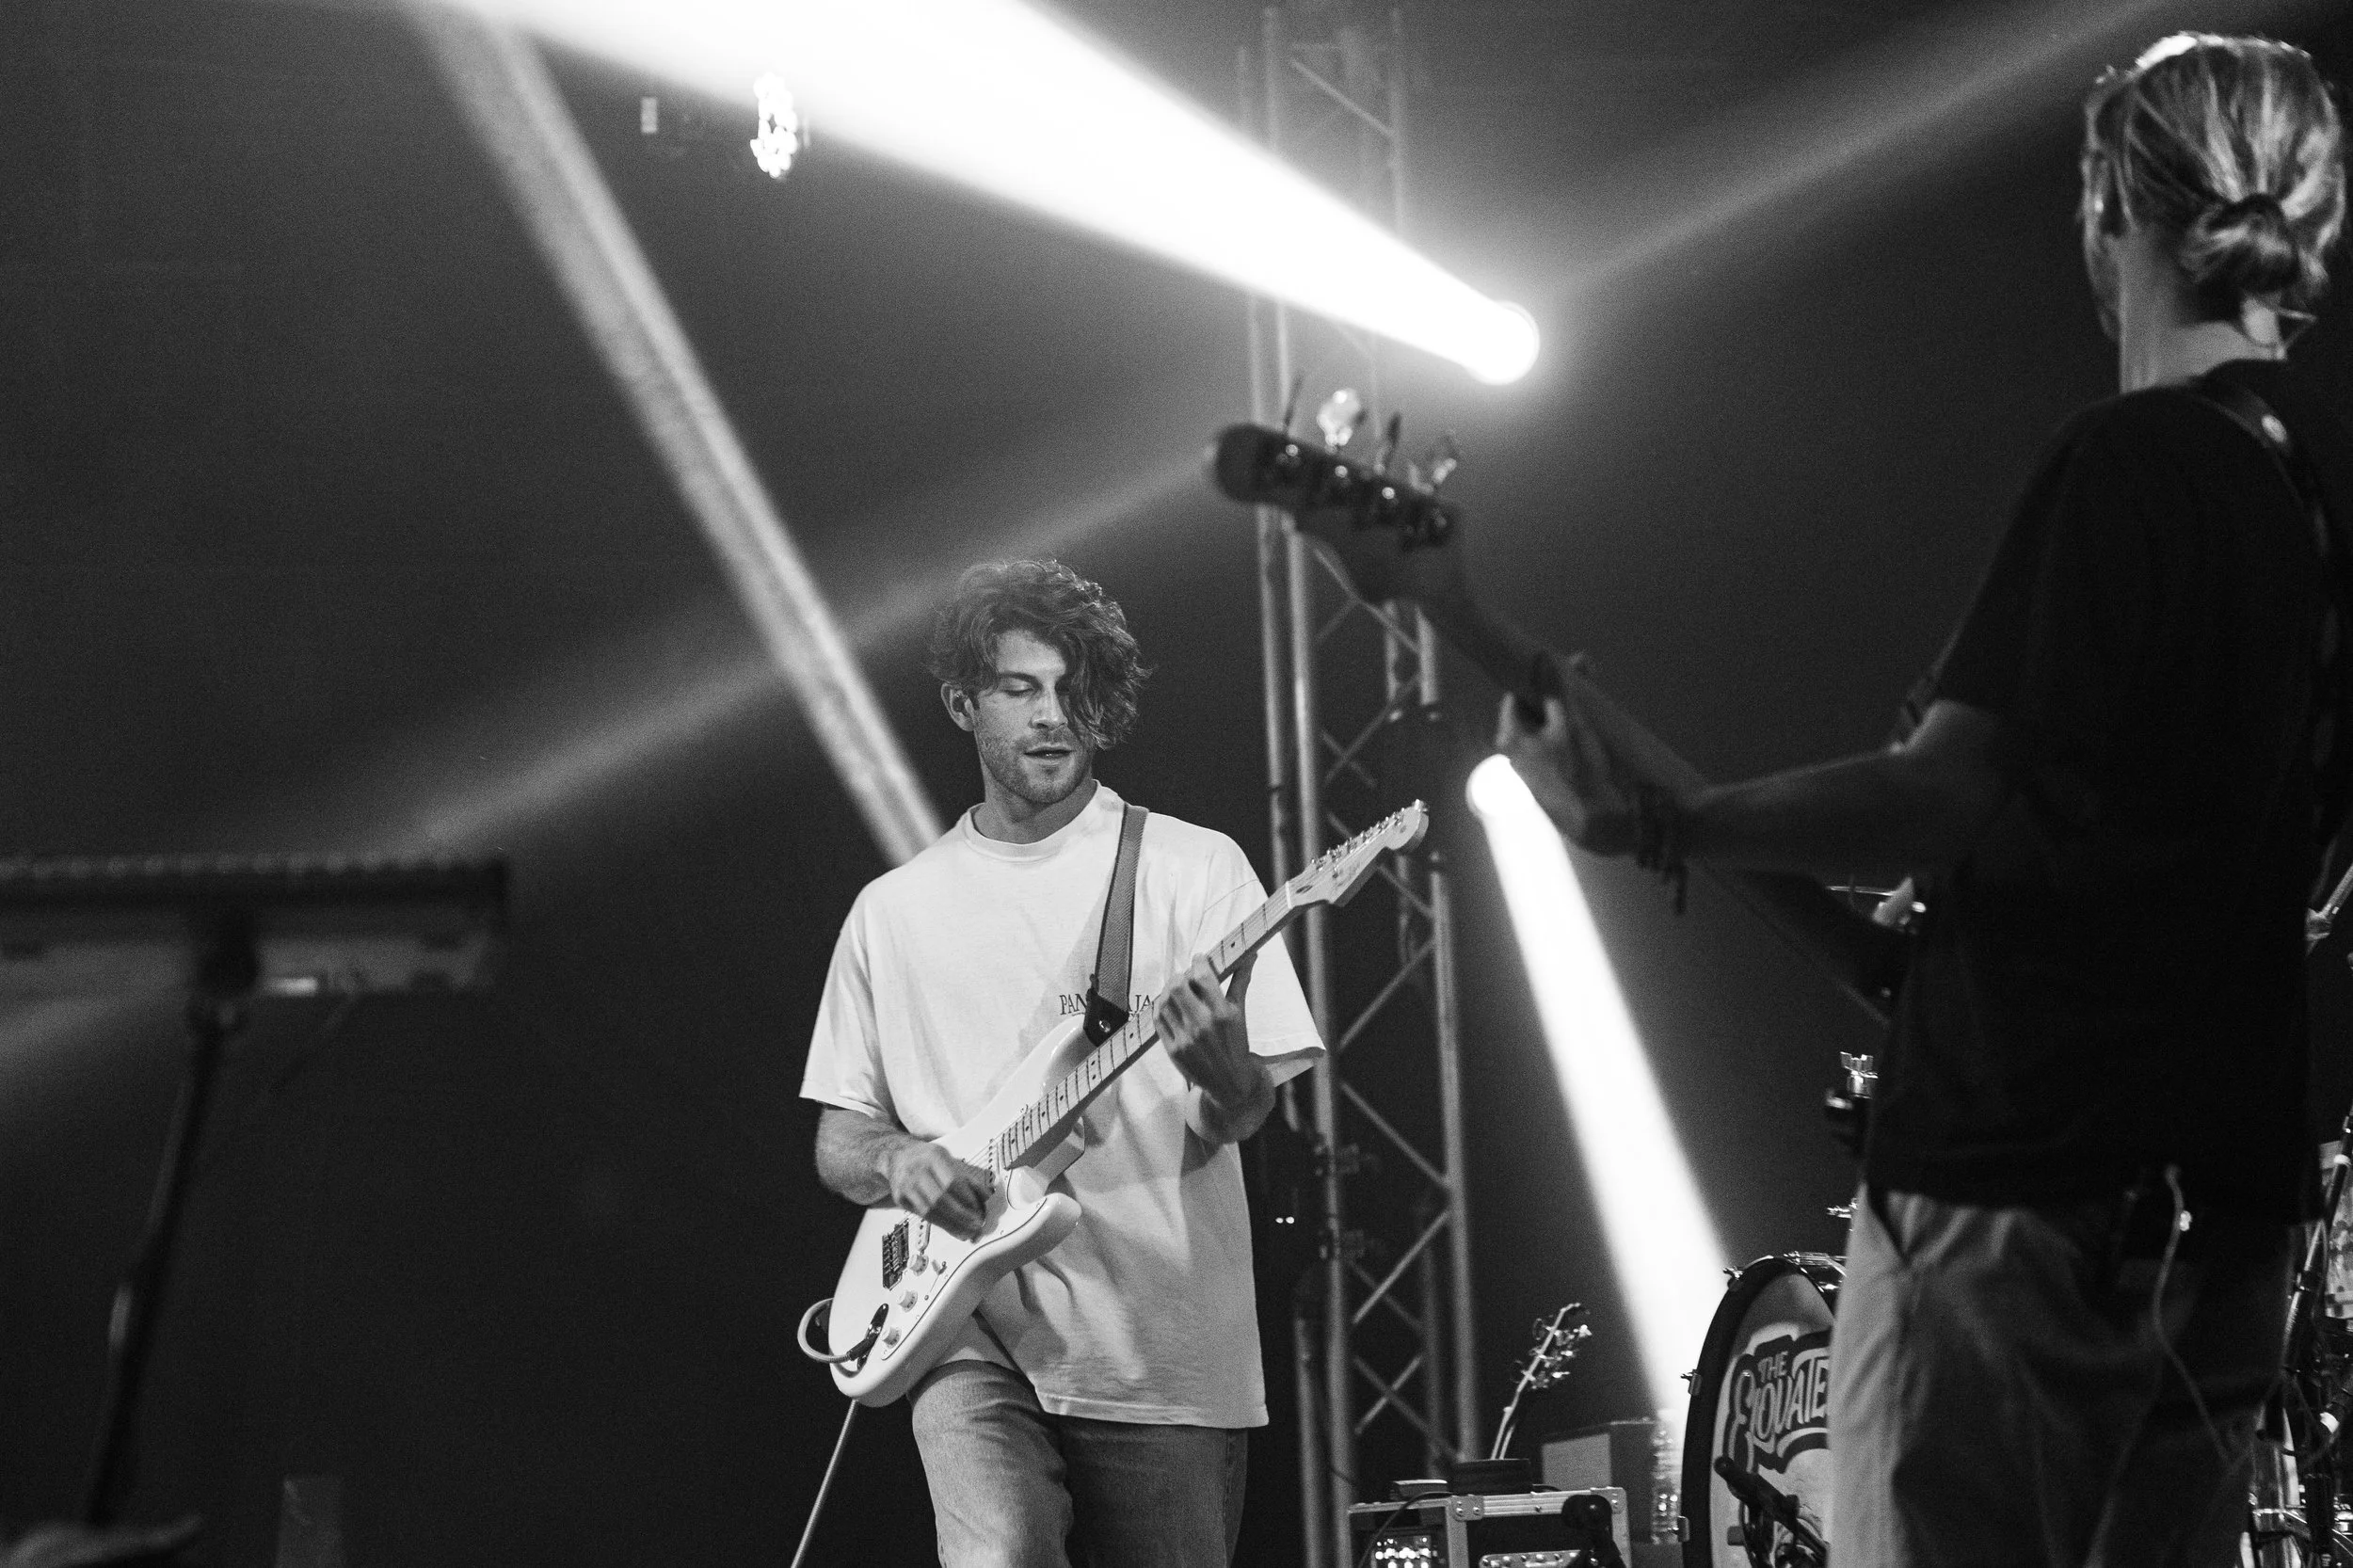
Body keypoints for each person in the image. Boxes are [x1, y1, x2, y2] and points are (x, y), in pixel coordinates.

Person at [1497, 33, 2349, 1568]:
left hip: (2018, 1205)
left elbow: (1941, 796)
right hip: (2228, 1214)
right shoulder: (2315, 491)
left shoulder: (2127, 461)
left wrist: (1666, 825)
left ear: (2110, 207)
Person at [802, 559, 1324, 1568]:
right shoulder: (890, 912)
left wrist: (1227, 1074)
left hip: (1158, 1346)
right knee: (998, 1551)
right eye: (1019, 689)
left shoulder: (1194, 868)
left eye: (1071, 689)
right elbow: (839, 1135)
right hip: (962, 1322)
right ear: (962, 702)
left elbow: (1242, 1114)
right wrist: (902, 1161)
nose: (1053, 716)